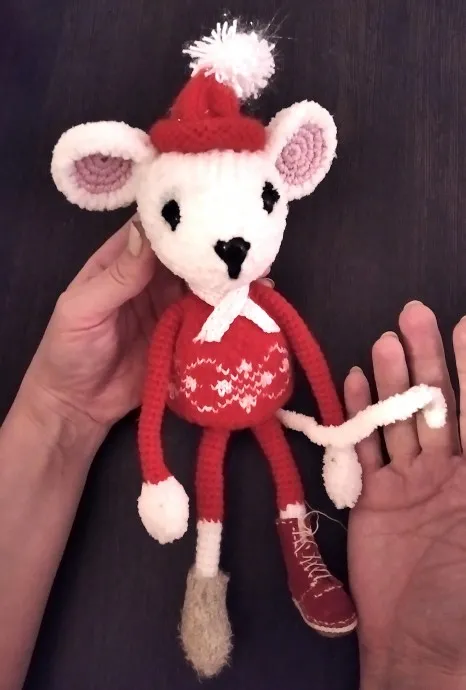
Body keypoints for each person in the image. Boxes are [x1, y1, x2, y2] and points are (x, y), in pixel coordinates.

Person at [0, 218, 465, 690]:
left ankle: (302, 561)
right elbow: (156, 390)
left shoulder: (261, 302)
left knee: (286, 480)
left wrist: (337, 442)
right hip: (209, 418)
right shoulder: (177, 316)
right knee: (211, 497)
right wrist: (154, 472)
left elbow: (311, 359)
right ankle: (204, 589)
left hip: (267, 410)